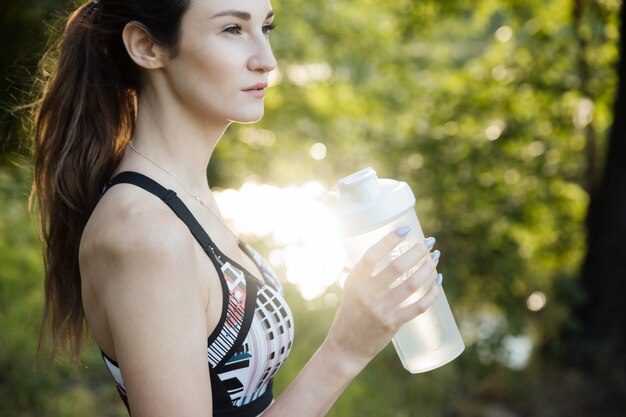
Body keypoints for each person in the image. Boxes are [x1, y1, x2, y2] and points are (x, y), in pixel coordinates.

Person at [30, 0, 444, 416]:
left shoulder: (184, 196)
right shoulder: (144, 234)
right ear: (146, 46)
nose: (267, 61)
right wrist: (345, 349)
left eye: (266, 28)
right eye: (232, 29)